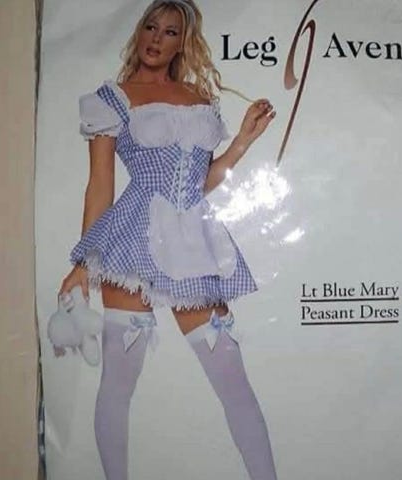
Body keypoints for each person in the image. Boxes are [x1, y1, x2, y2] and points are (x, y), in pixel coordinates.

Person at [58, 1, 277, 479]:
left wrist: (242, 140)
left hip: (193, 243)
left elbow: (200, 183)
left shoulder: (199, 97)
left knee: (232, 378)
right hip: (132, 241)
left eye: (170, 32)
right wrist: (84, 261)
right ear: (139, 32)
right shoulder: (113, 99)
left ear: (183, 43)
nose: (157, 38)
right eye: (151, 27)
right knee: (119, 383)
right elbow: (100, 184)